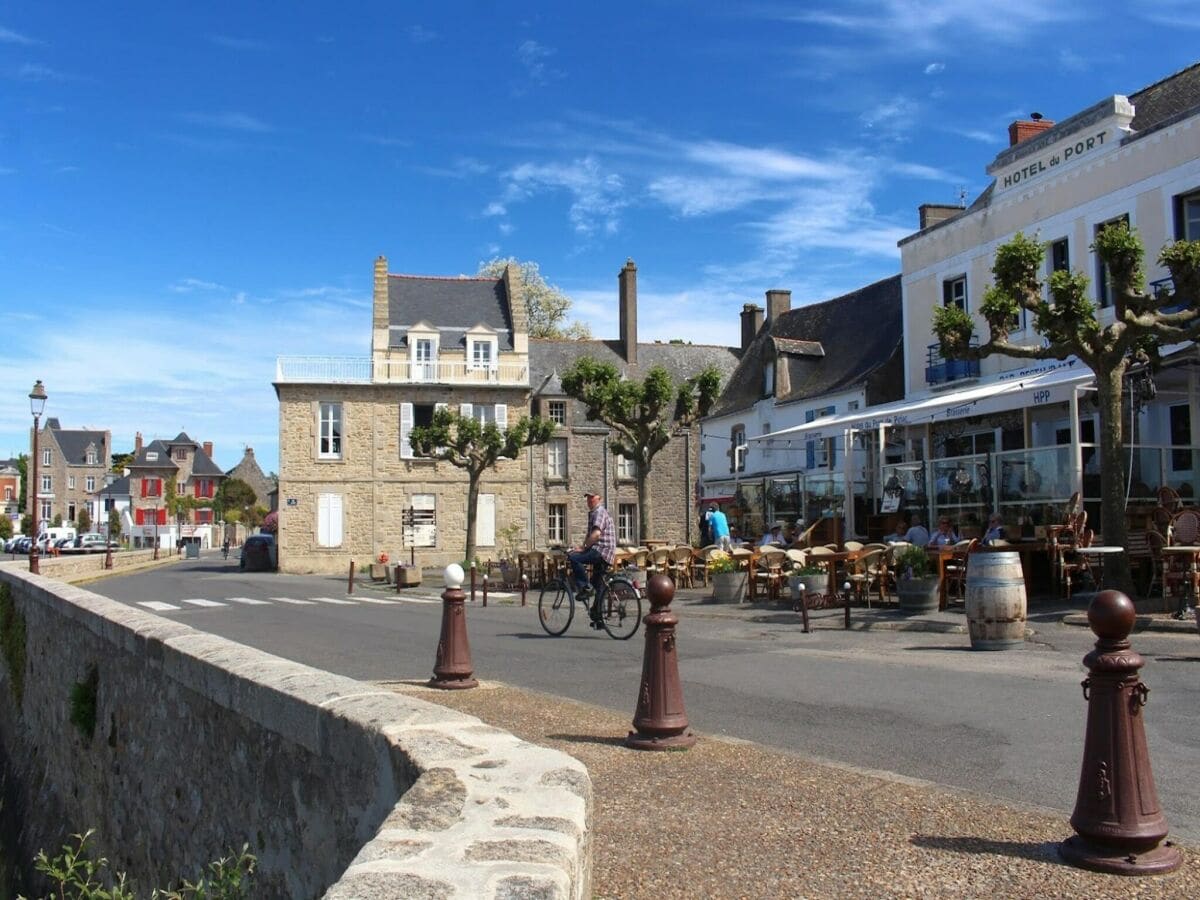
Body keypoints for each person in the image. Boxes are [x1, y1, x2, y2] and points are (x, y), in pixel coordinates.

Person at [568, 491, 617, 629]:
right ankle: (599, 618)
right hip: (606, 552)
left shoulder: (599, 512)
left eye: (592, 498)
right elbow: (590, 535)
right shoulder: (594, 513)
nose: (589, 501)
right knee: (598, 583)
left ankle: (585, 587)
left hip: (601, 550)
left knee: (574, 558)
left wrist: (583, 549)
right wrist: (581, 546)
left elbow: (596, 534)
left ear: (599, 499)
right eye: (588, 498)